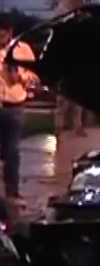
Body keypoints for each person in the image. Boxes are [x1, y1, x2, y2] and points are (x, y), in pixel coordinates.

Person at [0, 19, 36, 208]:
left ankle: (12, 192)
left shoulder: (23, 50)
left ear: (10, 32)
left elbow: (34, 76)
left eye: (3, 34)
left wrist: (20, 76)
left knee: (12, 151)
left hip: (14, 106)